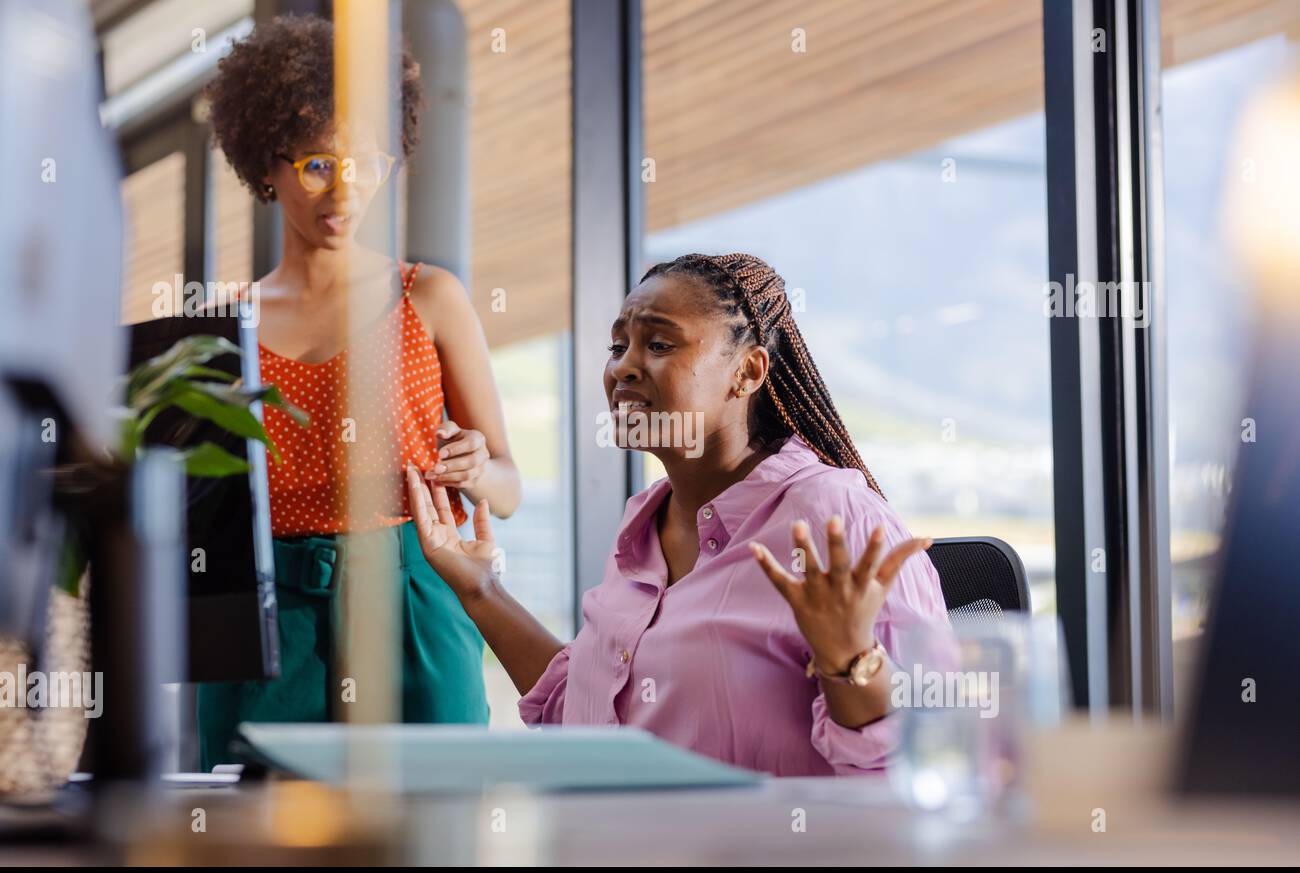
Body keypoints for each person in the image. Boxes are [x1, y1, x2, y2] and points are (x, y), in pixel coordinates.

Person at [405, 252, 954, 776]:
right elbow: (586, 717)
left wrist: (851, 662)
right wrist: (480, 591)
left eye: (660, 344)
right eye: (617, 345)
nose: (624, 368)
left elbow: (933, 748)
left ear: (747, 371)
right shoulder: (645, 522)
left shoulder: (833, 515)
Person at [196, 14, 520, 770]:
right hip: (269, 618)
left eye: (367, 163)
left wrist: (479, 469)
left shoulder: (430, 297)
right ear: (266, 166)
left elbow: (506, 489)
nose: (344, 190)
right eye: (316, 165)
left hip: (414, 595)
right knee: (259, 832)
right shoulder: (222, 328)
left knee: (433, 830)